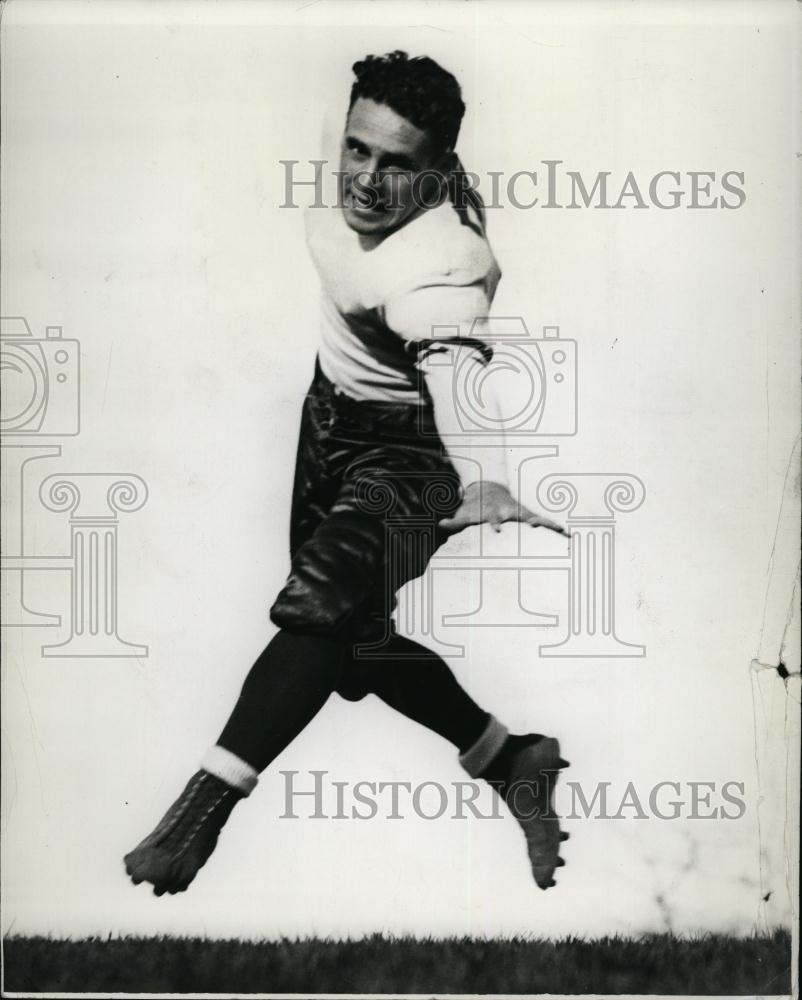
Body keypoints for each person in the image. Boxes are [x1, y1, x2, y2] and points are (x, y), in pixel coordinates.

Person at [124, 50, 570, 898]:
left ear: (435, 174)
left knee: (318, 609)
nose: (366, 180)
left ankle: (201, 809)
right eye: (359, 150)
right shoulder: (348, 148)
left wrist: (484, 476)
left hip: (410, 458)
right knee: (350, 647)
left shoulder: (442, 269)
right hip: (325, 430)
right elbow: (359, 130)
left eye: (397, 166)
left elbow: (457, 381)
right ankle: (514, 761)